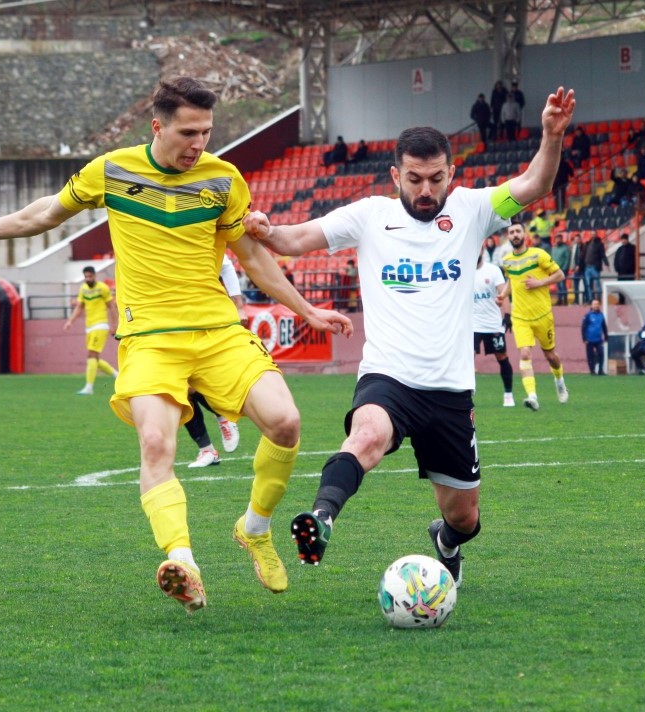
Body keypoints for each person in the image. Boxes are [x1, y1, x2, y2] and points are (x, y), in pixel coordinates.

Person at [0, 77, 353, 613]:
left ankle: (254, 527)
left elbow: (254, 258)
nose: (199, 143)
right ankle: (183, 561)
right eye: (188, 132)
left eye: (207, 132)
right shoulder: (113, 170)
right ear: (158, 126)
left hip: (217, 331)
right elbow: (47, 212)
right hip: (148, 337)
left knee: (286, 422)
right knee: (156, 444)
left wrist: (307, 309)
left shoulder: (223, 179)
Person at [243, 87, 577, 585]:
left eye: (436, 179)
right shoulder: (369, 215)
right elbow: (292, 241)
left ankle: (445, 541)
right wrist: (265, 228)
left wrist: (551, 135)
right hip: (388, 376)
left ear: (451, 175)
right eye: (415, 179)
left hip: (449, 390)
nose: (426, 190)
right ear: (396, 175)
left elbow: (534, 184)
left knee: (464, 517)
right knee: (367, 435)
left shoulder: (473, 208)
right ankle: (321, 518)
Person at [500, 223, 569, 411]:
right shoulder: (506, 260)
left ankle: (559, 380)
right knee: (524, 353)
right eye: (511, 232)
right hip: (520, 317)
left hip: (542, 315)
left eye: (518, 231)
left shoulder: (539, 255)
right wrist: (503, 295)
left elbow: (560, 275)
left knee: (550, 356)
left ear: (525, 235)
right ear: (509, 237)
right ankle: (532, 396)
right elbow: (511, 280)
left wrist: (540, 282)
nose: (515, 235)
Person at [186, 254, 246, 468]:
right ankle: (207, 450)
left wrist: (238, 304)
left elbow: (226, 265)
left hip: (205, 318)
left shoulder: (192, 232)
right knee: (180, 390)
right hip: (171, 321)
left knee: (190, 386)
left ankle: (222, 415)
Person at [64, 265, 119, 395]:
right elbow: (79, 307)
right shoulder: (83, 289)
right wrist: (70, 321)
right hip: (89, 327)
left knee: (91, 355)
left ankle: (89, 387)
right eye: (86, 276)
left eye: (90, 276)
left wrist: (115, 325)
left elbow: (111, 307)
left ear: (94, 276)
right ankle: (117, 375)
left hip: (100, 325)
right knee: (94, 358)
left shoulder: (102, 288)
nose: (88, 279)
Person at [472, 252, 515, 407]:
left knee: (501, 356)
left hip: (492, 323)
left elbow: (503, 294)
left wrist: (508, 315)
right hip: (472, 324)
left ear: (482, 251)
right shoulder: (463, 269)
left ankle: (508, 394)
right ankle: (468, 391)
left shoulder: (493, 270)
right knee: (467, 358)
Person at [581, 298, 608, 375]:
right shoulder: (588, 315)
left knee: (601, 353)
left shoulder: (601, 315)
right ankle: (592, 370)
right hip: (590, 339)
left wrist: (606, 336)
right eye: (594, 304)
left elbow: (604, 326)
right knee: (590, 355)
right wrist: (584, 338)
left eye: (597, 304)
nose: (596, 305)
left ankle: (600, 370)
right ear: (592, 306)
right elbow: (583, 327)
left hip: (598, 339)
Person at [582, 230, 608, 300]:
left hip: (595, 267)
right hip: (587, 267)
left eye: (594, 234)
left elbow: (603, 254)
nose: (593, 235)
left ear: (596, 235)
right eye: (592, 234)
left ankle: (598, 298)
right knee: (588, 284)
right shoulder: (587, 244)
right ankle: (590, 299)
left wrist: (606, 264)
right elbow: (583, 255)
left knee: (597, 284)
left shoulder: (599, 244)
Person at [550, 233, 571, 306]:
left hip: (562, 270)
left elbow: (567, 259)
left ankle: (565, 300)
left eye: (559, 238)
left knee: (562, 285)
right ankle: (559, 299)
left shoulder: (565, 248)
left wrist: (564, 268)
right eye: (556, 239)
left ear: (562, 239)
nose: (558, 240)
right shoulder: (554, 248)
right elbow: (552, 258)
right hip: (555, 270)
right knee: (558, 286)